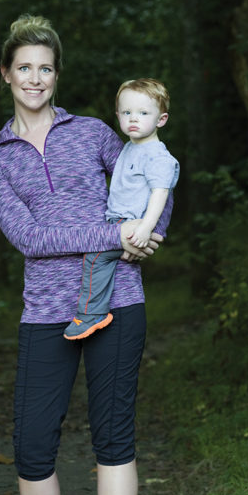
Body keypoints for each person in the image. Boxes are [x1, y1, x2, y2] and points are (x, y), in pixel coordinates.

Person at [0, 14, 171, 495]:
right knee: (33, 442)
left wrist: (149, 234)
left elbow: (155, 170)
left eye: (46, 68)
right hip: (45, 312)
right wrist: (118, 232)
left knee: (113, 437)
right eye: (25, 68)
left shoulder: (92, 133)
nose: (36, 78)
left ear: (56, 74)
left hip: (118, 300)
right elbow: (29, 238)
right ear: (6, 74)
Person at [64, 78, 179, 340]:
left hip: (133, 222)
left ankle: (92, 313)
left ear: (161, 120)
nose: (133, 119)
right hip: (118, 220)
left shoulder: (157, 156)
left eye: (143, 113)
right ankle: (95, 309)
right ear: (117, 115)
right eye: (127, 113)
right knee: (99, 258)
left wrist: (146, 229)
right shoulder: (129, 147)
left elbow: (160, 194)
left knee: (96, 257)